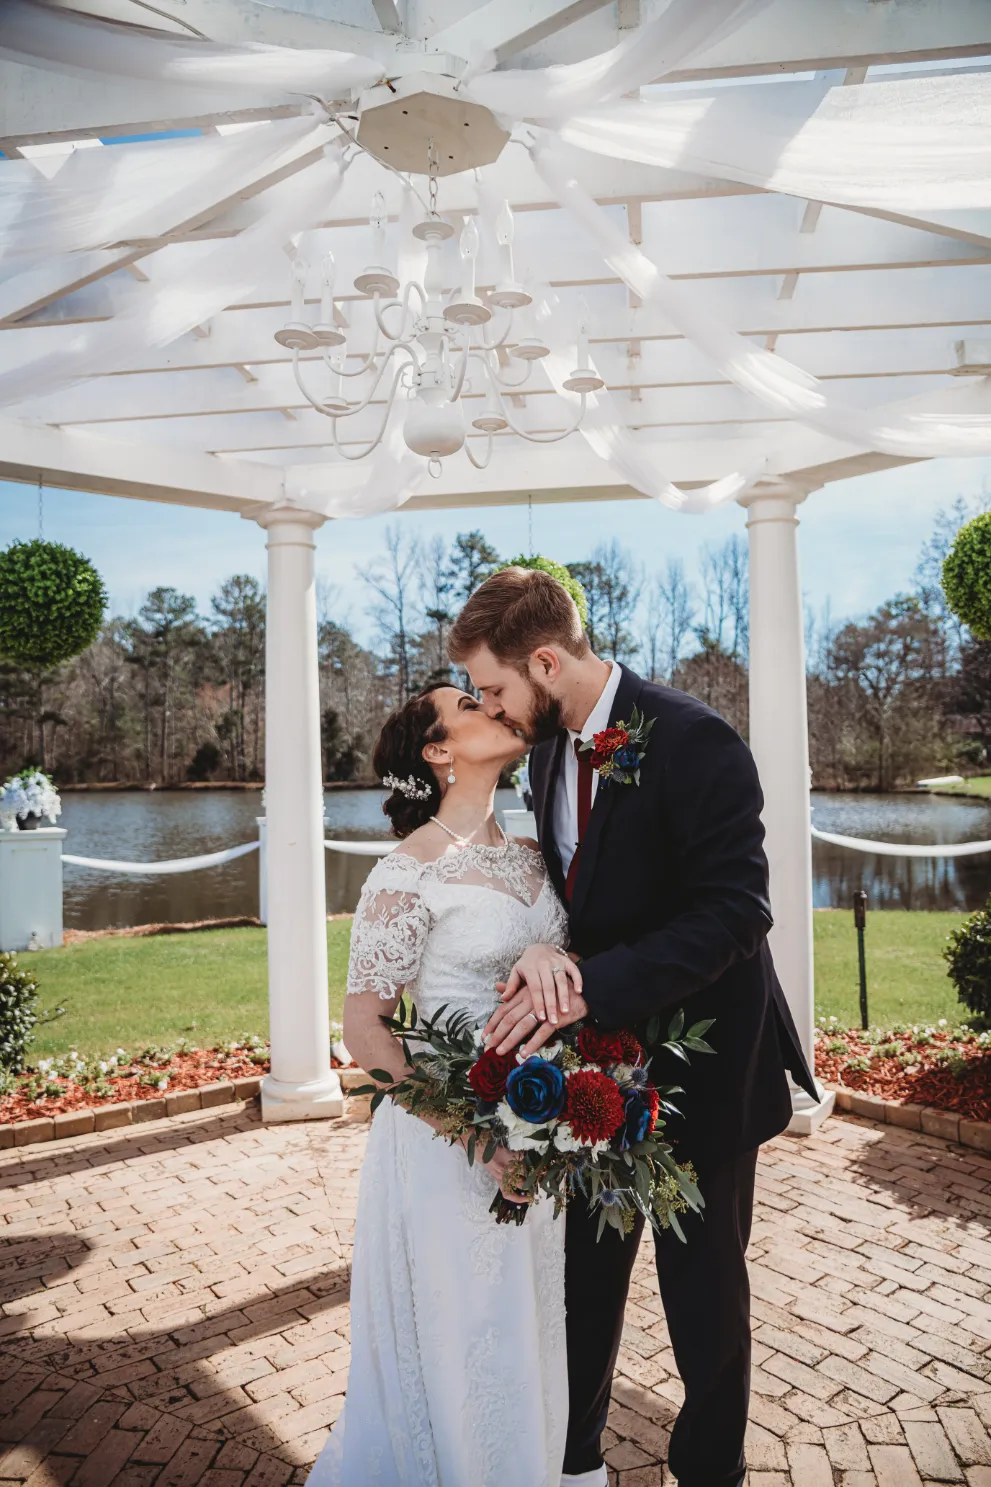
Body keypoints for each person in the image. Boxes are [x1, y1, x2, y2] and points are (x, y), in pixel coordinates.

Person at [448, 567, 817, 1487]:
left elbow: (736, 910)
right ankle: (576, 1465)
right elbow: (582, 897)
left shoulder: (694, 739)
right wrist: (541, 958)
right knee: (581, 1282)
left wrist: (587, 987)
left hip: (705, 1068)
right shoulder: (543, 753)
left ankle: (708, 1471)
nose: (490, 706)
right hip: (591, 1079)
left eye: (495, 687)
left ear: (545, 659)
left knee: (703, 1301)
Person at [306, 683, 579, 1487]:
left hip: (540, 1128)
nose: (493, 704)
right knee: (469, 1334)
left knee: (535, 1326)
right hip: (448, 1144)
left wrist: (552, 963)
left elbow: (565, 977)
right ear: (438, 750)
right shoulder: (406, 870)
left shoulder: (535, 853)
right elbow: (364, 1030)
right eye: (467, 703)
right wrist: (477, 1135)